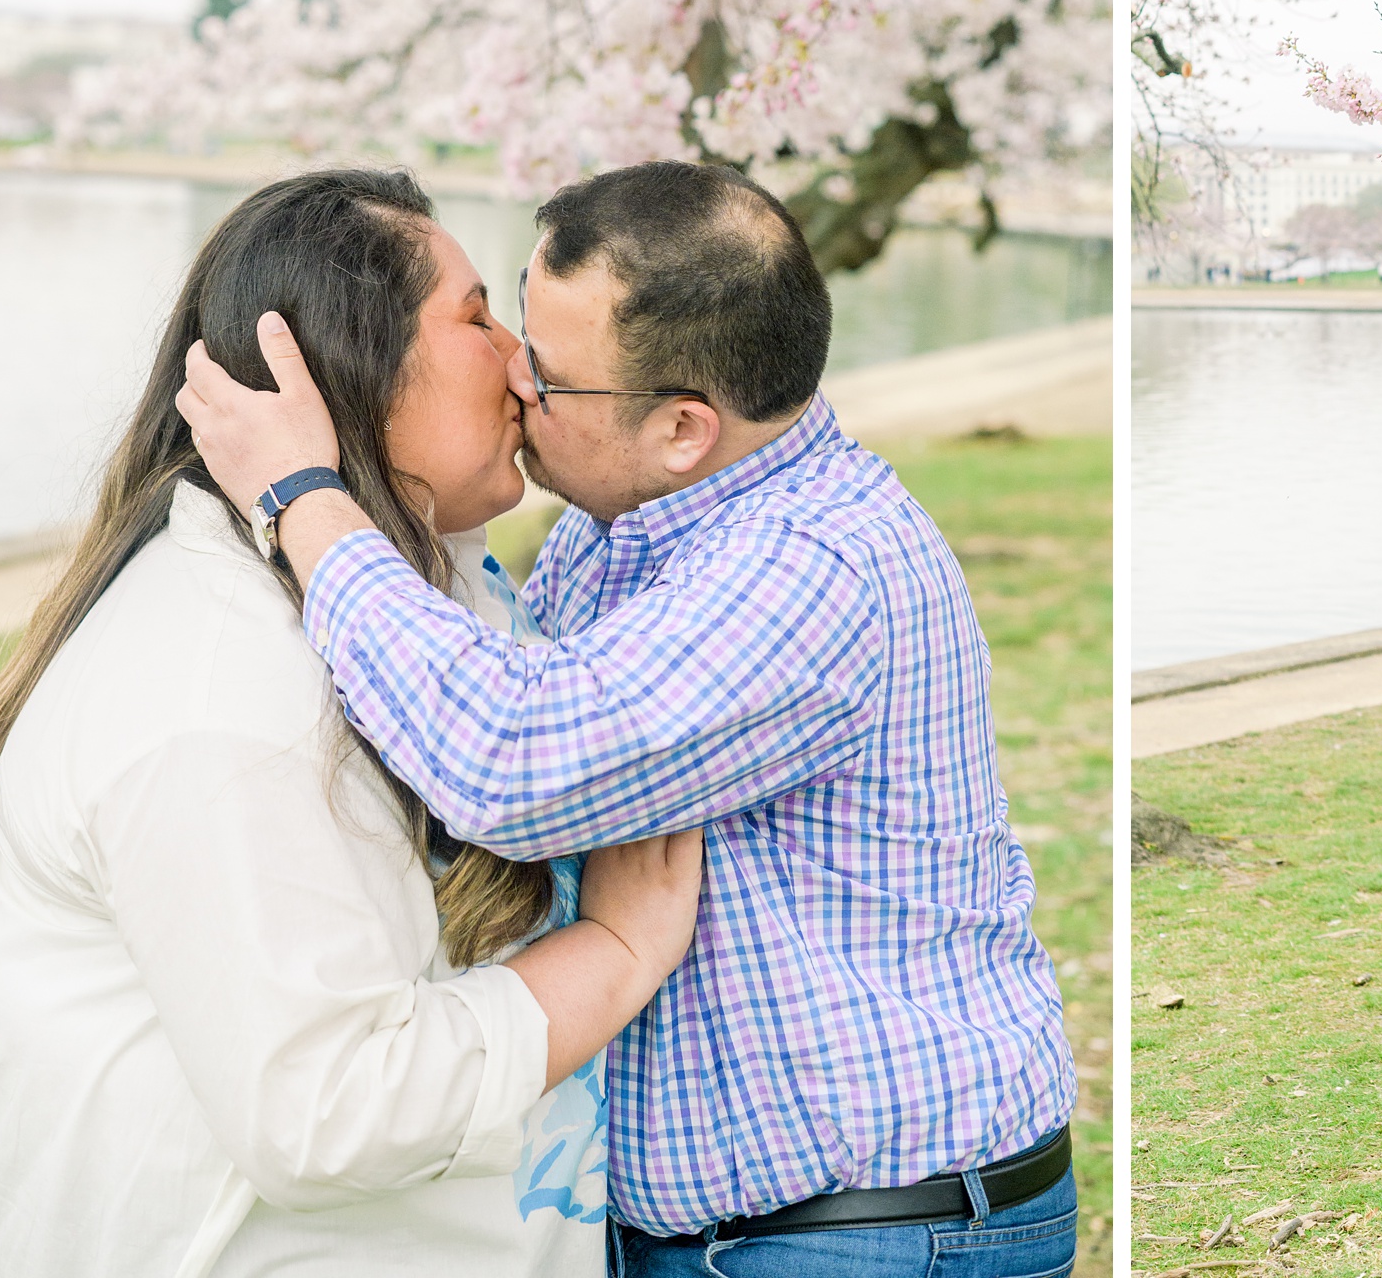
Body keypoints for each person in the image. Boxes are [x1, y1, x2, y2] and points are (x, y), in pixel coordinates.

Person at [177, 159, 1078, 1277]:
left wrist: (302, 496)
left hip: (866, 1232)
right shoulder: (626, 524)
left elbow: (512, 759)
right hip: (747, 1231)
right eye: (507, 320)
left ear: (684, 429)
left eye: (549, 374)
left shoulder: (814, 566)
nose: (511, 374)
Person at [0, 169, 704, 1277]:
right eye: (477, 315)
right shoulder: (214, 688)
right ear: (345, 363)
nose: (523, 360)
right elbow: (330, 1108)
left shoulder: (427, 590)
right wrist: (617, 950)